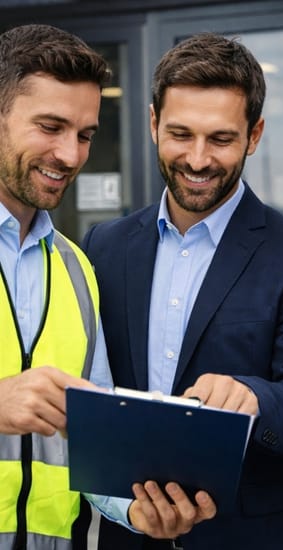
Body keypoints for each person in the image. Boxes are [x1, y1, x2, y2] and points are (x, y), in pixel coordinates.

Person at [81, 32, 283, 550]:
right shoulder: (103, 247)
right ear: (154, 122)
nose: (198, 159)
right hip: (127, 533)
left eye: (221, 139)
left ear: (255, 135)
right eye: (181, 134)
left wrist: (254, 397)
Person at [0, 23, 115, 549]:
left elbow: (98, 440)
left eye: (85, 135)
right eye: (50, 127)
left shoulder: (77, 267)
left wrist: (144, 509)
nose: (70, 155)